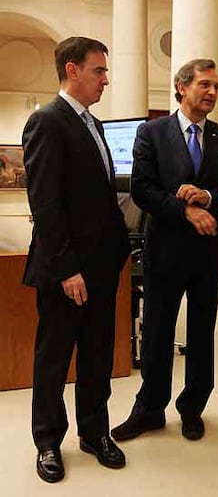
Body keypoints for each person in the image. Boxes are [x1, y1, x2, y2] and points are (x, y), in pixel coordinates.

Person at [112, 58, 218, 442]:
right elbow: (141, 189)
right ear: (181, 86)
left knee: (202, 333)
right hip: (165, 252)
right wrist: (186, 211)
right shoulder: (151, 133)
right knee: (157, 331)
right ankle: (150, 410)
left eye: (217, 87)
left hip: (208, 254)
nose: (212, 92)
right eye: (205, 84)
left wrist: (208, 197)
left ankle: (193, 408)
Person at [22, 36, 131, 483]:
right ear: (72, 70)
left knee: (98, 354)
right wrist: (67, 268)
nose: (105, 79)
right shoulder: (48, 121)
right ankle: (48, 442)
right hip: (66, 270)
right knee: (54, 358)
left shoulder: (95, 125)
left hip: (102, 267)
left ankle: (94, 431)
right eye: (98, 71)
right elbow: (45, 204)